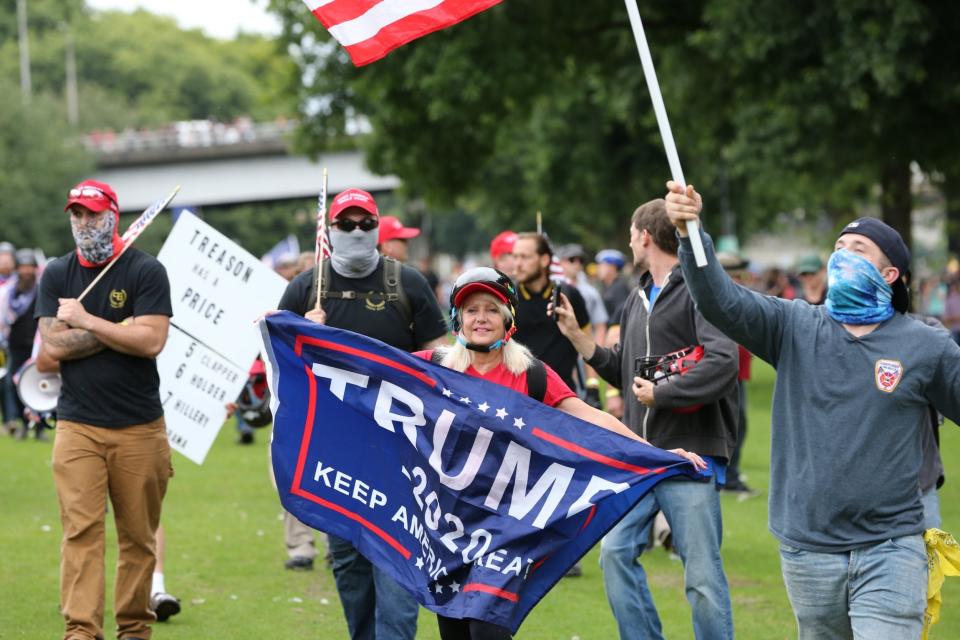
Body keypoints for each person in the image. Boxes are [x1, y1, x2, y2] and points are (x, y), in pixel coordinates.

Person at [665, 181, 960, 639]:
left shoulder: (925, 344)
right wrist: (691, 234)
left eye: (858, 248)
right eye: (838, 245)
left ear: (890, 274)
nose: (841, 254)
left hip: (892, 544)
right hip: (808, 548)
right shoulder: (794, 325)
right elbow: (719, 299)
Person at [415, 266, 706, 640]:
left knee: (487, 630)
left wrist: (658, 454)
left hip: (507, 530)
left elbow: (591, 418)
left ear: (508, 319)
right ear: (457, 318)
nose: (481, 318)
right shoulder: (432, 366)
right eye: (471, 310)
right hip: (449, 530)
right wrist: (313, 338)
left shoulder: (532, 374)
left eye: (491, 308)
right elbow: (367, 366)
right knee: (455, 633)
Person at [554, 198, 739, 640]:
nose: (629, 242)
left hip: (691, 457)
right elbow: (623, 368)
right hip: (641, 458)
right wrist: (578, 338)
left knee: (702, 577)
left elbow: (724, 361)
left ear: (644, 236)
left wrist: (663, 393)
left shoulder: (700, 290)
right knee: (614, 554)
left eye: (631, 234)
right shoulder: (636, 297)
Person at [278, 187, 449, 640]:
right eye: (346, 224)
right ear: (330, 230)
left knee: (397, 567)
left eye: (365, 224)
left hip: (400, 453)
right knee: (350, 569)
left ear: (377, 227)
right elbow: (277, 366)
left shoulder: (406, 282)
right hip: (334, 454)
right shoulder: (305, 288)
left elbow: (438, 355)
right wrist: (300, 333)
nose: (356, 231)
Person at [37, 179, 173, 640]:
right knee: (81, 532)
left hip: (140, 427)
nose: (84, 223)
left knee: (138, 538)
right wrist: (122, 329)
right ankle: (81, 630)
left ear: (113, 214)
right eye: (76, 214)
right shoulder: (56, 272)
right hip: (77, 426)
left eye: (93, 214)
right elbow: (53, 345)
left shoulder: (146, 270)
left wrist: (89, 321)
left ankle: (134, 628)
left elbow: (152, 340)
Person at [511, 232, 590, 391]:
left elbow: (587, 342)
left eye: (525, 257)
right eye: (515, 257)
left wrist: (593, 386)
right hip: (519, 396)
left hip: (563, 395)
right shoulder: (507, 298)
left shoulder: (569, 295)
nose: (517, 263)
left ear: (545, 260)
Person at [4, 249, 41, 439]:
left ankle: (40, 428)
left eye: (29, 267)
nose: (26, 271)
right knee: (15, 385)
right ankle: (24, 425)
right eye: (23, 267)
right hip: (16, 346)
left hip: (38, 347)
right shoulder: (10, 292)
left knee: (40, 385)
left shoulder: (42, 289)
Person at [595, 249, 630, 321]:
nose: (598, 269)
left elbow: (622, 316)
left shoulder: (619, 288)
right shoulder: (608, 286)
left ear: (612, 267)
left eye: (602, 265)